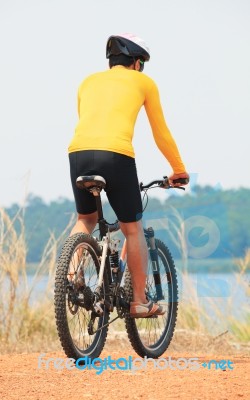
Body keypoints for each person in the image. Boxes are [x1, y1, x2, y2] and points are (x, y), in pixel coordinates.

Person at [68, 33, 189, 318]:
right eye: (141, 64)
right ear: (136, 63)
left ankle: (71, 278)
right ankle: (138, 301)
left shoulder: (87, 82)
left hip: (78, 152)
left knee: (85, 219)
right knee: (131, 228)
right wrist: (178, 169)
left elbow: (88, 121)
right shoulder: (144, 82)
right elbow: (161, 132)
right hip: (116, 153)